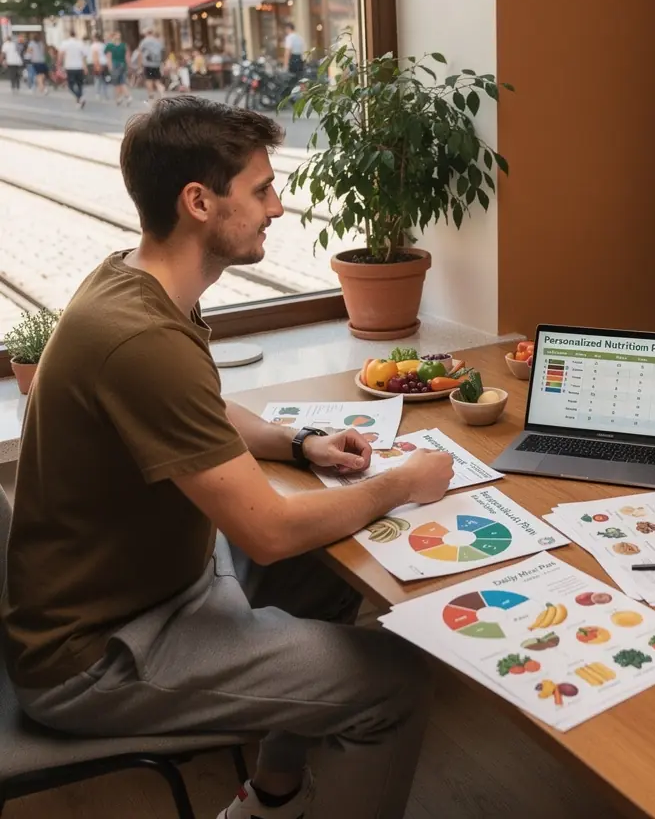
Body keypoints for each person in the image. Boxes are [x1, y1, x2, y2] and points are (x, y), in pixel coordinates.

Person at [1, 96, 452, 819]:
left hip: (148, 594)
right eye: (262, 189)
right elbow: (266, 531)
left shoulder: (135, 282)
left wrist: (299, 443)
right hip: (97, 657)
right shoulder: (141, 338)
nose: (278, 208)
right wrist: (402, 483)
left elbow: (195, 415)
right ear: (199, 202)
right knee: (393, 684)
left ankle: (270, 797)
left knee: (321, 573)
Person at [58, 30, 88, 108]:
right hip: (79, 66)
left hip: (69, 67)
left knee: (71, 85)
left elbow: (61, 54)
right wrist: (85, 66)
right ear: (76, 34)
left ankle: (79, 97)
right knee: (80, 84)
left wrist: (59, 64)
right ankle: (79, 100)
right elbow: (84, 55)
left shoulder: (65, 43)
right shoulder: (80, 43)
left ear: (69, 34)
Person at [139, 27, 165, 100]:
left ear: (146, 33)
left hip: (148, 64)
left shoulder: (144, 41)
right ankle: (162, 91)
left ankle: (151, 95)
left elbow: (140, 52)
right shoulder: (157, 41)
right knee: (157, 80)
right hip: (156, 64)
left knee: (149, 79)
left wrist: (140, 64)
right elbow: (162, 51)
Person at [105, 29, 130, 106]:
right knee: (122, 81)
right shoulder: (124, 45)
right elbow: (127, 57)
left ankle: (125, 96)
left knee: (117, 83)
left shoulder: (110, 46)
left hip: (115, 65)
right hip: (122, 64)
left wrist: (110, 67)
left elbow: (109, 57)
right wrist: (129, 66)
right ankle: (120, 98)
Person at [89, 32, 110, 101]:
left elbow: (95, 55)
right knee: (104, 80)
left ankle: (97, 94)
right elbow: (107, 54)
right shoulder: (103, 45)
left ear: (95, 38)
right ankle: (105, 94)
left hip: (98, 63)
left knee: (97, 79)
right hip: (104, 63)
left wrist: (96, 65)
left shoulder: (94, 46)